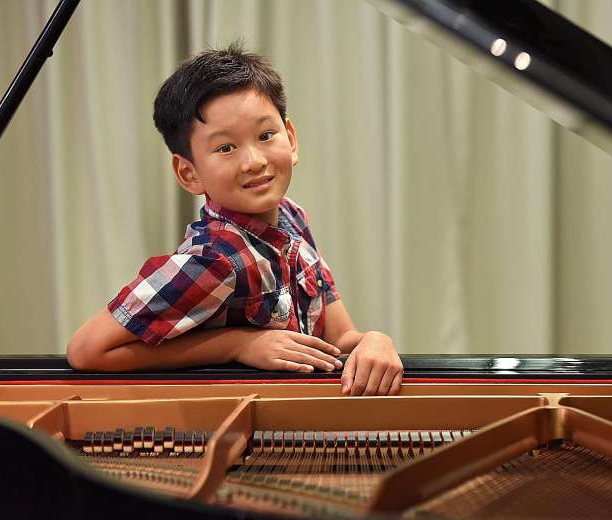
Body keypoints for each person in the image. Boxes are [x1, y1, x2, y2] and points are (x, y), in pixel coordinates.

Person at [66, 43, 403, 396]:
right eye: (226, 148)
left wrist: (375, 341)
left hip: (302, 420)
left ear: (291, 139)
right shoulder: (212, 260)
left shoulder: (290, 217)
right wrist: (237, 345)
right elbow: (88, 349)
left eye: (265, 135)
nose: (254, 161)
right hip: (244, 429)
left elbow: (340, 337)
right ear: (189, 173)